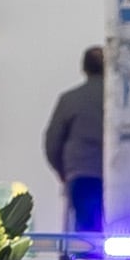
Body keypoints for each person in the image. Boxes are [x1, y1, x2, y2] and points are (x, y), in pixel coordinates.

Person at [42, 47, 105, 235]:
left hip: (82, 172)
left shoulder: (70, 99)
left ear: (84, 69)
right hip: (123, 175)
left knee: (85, 233)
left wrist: (63, 172)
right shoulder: (127, 100)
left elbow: (52, 141)